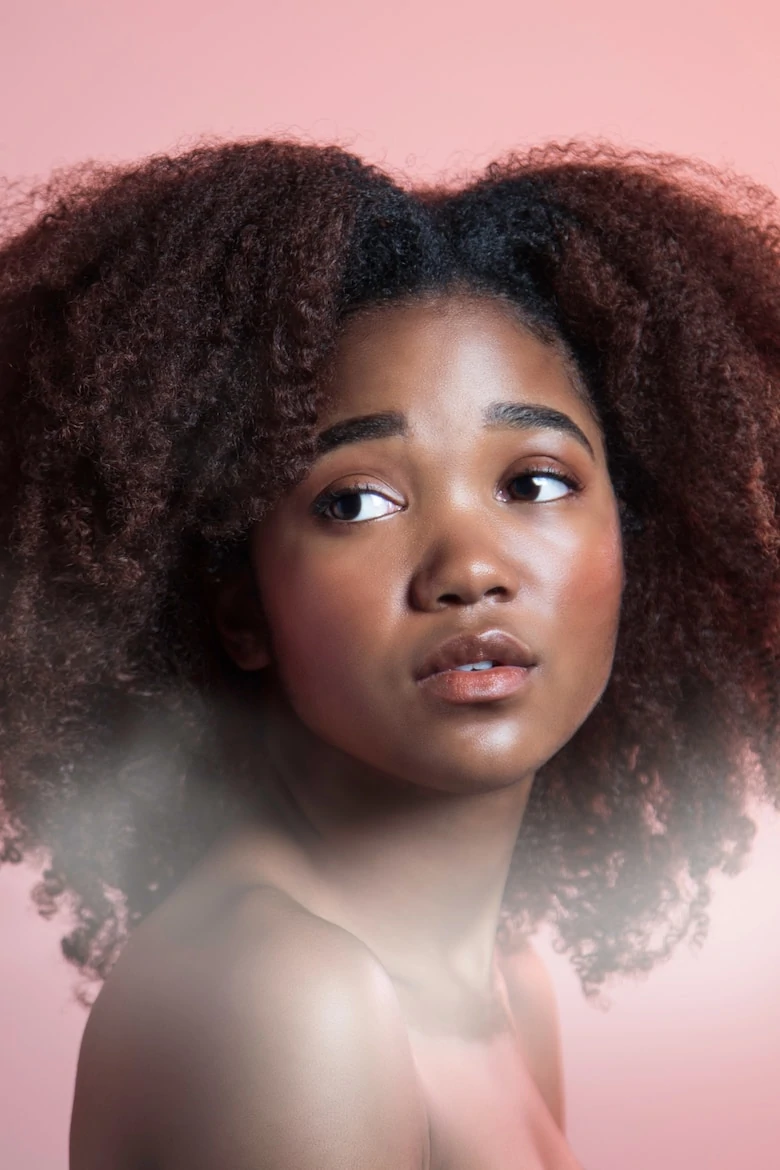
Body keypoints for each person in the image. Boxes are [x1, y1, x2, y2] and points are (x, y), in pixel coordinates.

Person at [0, 139, 778, 1170]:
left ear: (639, 540)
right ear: (240, 608)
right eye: (356, 501)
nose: (468, 568)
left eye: (535, 484)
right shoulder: (287, 1000)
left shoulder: (503, 979)